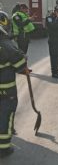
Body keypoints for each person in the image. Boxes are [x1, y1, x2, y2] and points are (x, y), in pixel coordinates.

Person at [0, 11, 28, 158]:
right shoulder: (5, 44)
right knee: (5, 116)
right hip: (5, 90)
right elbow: (19, 64)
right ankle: (3, 148)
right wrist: (24, 60)